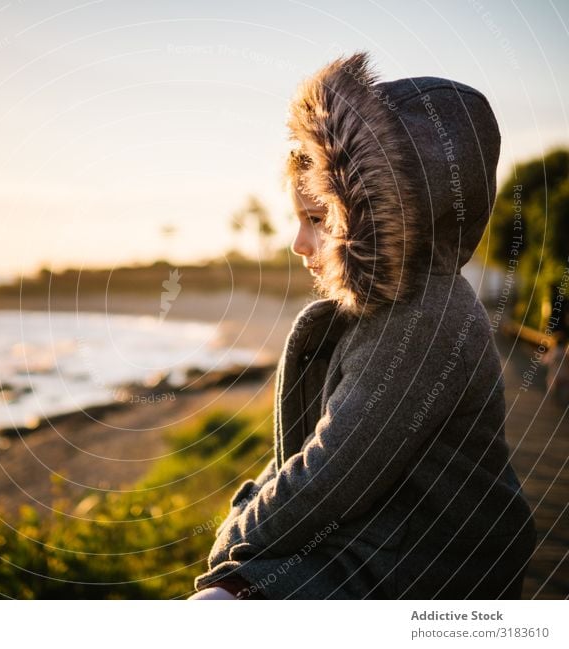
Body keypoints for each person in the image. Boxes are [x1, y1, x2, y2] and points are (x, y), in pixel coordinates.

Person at [189, 51, 537, 600]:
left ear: (386, 213)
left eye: (319, 220)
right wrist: (248, 506)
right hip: (373, 541)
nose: (299, 244)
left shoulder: (427, 319)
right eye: (298, 221)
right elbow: (302, 451)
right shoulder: (379, 311)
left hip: (429, 566)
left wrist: (234, 537)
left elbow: (333, 477)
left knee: (217, 605)